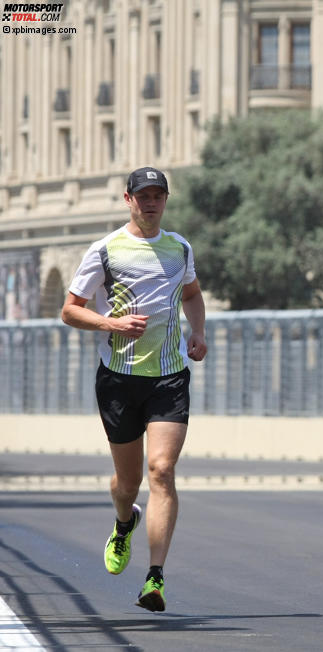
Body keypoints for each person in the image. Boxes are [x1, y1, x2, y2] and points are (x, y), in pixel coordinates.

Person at [61, 167, 207, 613]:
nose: (151, 203)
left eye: (158, 195)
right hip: (119, 378)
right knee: (129, 482)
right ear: (128, 199)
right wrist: (111, 323)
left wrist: (198, 333)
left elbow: (193, 294)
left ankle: (155, 577)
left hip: (168, 375)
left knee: (162, 470)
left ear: (166, 200)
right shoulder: (105, 250)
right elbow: (70, 310)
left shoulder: (179, 247)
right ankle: (125, 522)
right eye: (143, 196)